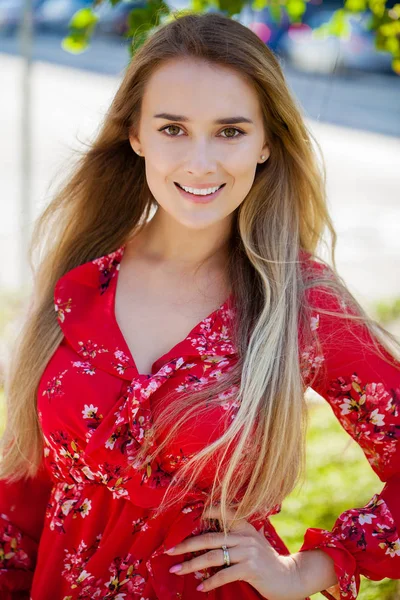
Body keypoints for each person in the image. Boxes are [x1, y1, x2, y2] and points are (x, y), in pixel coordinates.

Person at [0, 10, 399, 600]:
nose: (200, 162)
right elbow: (27, 487)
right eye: (173, 129)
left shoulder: (300, 303)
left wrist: (307, 572)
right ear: (135, 134)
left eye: (231, 131)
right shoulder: (82, 283)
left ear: (267, 143)